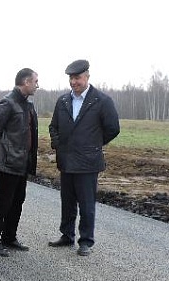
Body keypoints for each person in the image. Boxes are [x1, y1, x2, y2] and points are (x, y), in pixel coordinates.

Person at [48, 59, 120, 256]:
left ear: (87, 77)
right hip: (66, 161)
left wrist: (94, 144)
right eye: (71, 78)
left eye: (77, 78)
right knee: (67, 202)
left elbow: (113, 128)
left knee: (87, 205)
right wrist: (58, 143)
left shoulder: (102, 101)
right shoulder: (63, 101)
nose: (74, 82)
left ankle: (86, 241)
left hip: (88, 163)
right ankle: (67, 235)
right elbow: (54, 126)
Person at [0, 68, 39, 257]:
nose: (37, 85)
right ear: (26, 82)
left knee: (18, 201)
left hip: (22, 163)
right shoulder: (8, 103)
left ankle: (9, 237)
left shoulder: (28, 104)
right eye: (35, 81)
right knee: (3, 202)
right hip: (8, 163)